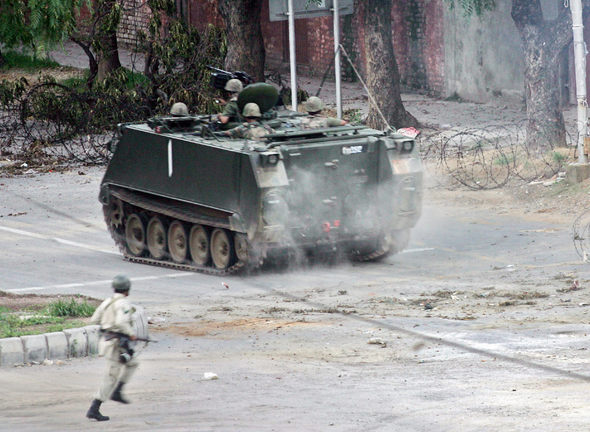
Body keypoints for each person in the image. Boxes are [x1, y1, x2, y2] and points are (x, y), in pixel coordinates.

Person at [86, 275, 138, 422]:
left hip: (109, 341)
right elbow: (122, 322)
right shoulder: (123, 303)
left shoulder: (107, 302)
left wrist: (108, 325)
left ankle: (118, 391)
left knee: (133, 363)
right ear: (127, 290)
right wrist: (131, 333)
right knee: (111, 376)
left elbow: (94, 319)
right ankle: (94, 408)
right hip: (116, 344)